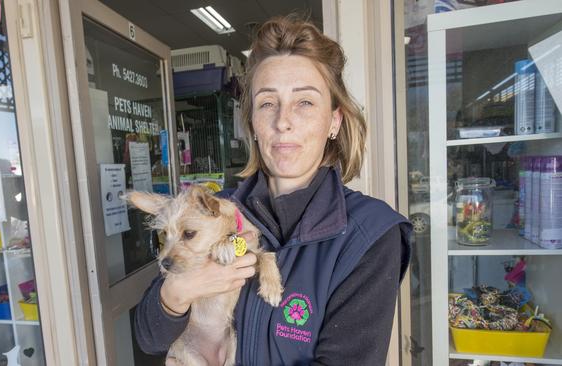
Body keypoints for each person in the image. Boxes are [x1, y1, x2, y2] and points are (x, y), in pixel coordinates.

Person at [134, 15, 412, 365]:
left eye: (305, 102)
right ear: (251, 122)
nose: (283, 120)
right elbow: (148, 337)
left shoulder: (368, 234)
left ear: (334, 121)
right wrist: (175, 293)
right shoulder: (217, 214)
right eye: (267, 103)